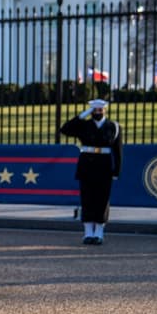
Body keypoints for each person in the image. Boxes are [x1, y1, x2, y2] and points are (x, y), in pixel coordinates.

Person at [59, 99, 123, 245]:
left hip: (104, 166)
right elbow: (64, 129)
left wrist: (116, 170)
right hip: (87, 164)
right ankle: (88, 232)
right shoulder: (84, 125)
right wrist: (82, 115)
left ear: (105, 110)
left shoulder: (113, 126)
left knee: (102, 199)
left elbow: (118, 151)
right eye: (94, 110)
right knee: (87, 198)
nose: (97, 113)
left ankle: (99, 232)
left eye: (100, 110)